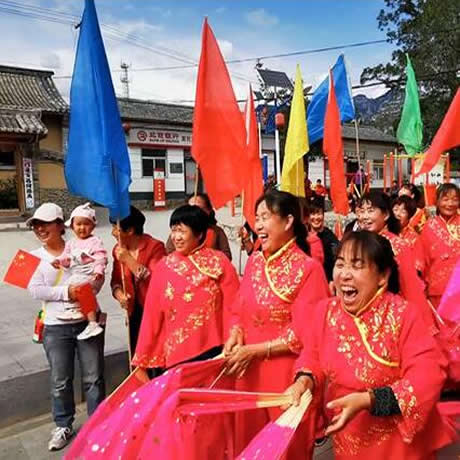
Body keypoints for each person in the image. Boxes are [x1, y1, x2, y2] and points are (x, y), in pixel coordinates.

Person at [285, 231, 455, 459]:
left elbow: (427, 374)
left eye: (356, 266)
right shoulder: (326, 312)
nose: (344, 274)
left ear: (383, 276)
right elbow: (312, 355)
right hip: (347, 433)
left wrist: (370, 400)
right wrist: (304, 380)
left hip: (398, 444)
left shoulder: (402, 315)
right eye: (340, 264)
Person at [224, 190, 329, 458]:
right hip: (247, 373)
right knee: (248, 443)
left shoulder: (308, 269)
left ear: (288, 221)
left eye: (265, 217)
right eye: (256, 218)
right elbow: (239, 308)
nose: (258, 225)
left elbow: (307, 333)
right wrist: (235, 332)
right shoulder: (255, 262)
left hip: (285, 377)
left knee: (283, 448)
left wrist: (256, 350)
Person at [26, 203, 105, 451]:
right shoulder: (30, 256)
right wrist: (67, 292)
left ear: (62, 225)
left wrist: (92, 282)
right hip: (55, 327)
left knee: (94, 378)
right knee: (60, 380)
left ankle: (97, 424)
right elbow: (35, 290)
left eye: (45, 223)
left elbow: (96, 283)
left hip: (87, 321)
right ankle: (63, 425)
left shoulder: (86, 247)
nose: (39, 229)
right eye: (36, 225)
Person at [132, 205, 240, 370]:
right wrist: (141, 357)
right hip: (176, 355)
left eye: (182, 231)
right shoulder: (164, 266)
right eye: (173, 231)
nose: (176, 237)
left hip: (215, 350)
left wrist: (235, 334)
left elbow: (236, 304)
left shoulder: (219, 262)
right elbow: (152, 315)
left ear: (199, 233)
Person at [357, 191, 433, 328]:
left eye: (370, 211)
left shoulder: (397, 245)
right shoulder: (358, 242)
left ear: (385, 215)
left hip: (390, 316)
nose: (364, 216)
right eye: (361, 211)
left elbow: (410, 287)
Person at [110, 206, 166, 352]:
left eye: (116, 229)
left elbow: (156, 280)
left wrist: (129, 260)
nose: (113, 233)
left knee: (156, 355)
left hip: (154, 311)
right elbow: (115, 281)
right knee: (136, 352)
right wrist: (120, 295)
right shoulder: (118, 249)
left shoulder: (155, 247)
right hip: (133, 311)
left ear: (130, 230)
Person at [51, 203, 106, 340]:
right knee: (70, 287)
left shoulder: (95, 241)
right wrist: (59, 261)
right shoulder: (71, 243)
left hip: (89, 273)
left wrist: (98, 271)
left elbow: (101, 257)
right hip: (77, 273)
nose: (82, 228)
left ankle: (92, 322)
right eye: (78, 224)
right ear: (72, 226)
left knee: (80, 288)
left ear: (93, 226)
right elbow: (67, 257)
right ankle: (75, 310)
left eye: (86, 224)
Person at [417, 183, 460, 308]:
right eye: (445, 199)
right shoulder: (429, 226)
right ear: (437, 201)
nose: (450, 204)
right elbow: (421, 258)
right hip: (437, 289)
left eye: (455, 199)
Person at [165, 193, 232, 261]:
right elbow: (168, 253)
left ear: (208, 210)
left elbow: (226, 257)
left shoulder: (216, 231)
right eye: (191, 208)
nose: (194, 212)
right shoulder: (178, 233)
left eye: (199, 208)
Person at [307, 198, 339, 281]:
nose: (316, 217)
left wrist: (331, 280)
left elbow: (335, 261)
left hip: (326, 280)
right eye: (313, 214)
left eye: (319, 214)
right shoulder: (304, 236)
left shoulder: (330, 237)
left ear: (323, 215)